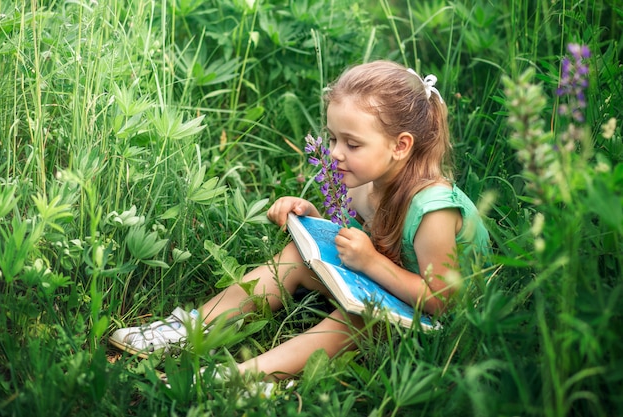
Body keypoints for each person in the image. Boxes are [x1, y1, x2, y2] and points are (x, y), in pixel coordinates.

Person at [109, 60, 491, 380]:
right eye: (333, 138)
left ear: (401, 145)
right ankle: (192, 327)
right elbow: (357, 236)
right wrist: (315, 221)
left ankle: (247, 376)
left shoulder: (433, 209)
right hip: (386, 288)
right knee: (297, 255)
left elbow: (443, 302)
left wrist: (371, 262)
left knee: (360, 319)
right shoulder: (367, 182)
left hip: (437, 328)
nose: (336, 154)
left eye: (352, 144)